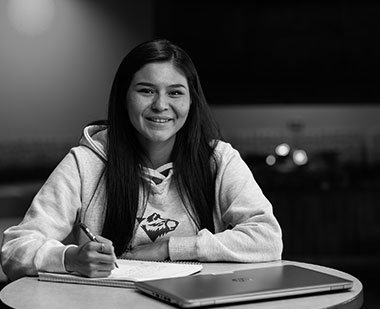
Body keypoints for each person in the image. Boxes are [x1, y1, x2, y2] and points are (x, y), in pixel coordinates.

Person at [1, 39, 282, 281]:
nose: (161, 105)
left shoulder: (218, 160)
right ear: (124, 97)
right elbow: (14, 249)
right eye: (146, 91)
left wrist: (169, 248)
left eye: (175, 92)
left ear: (192, 101)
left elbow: (267, 238)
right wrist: (71, 258)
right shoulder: (86, 163)